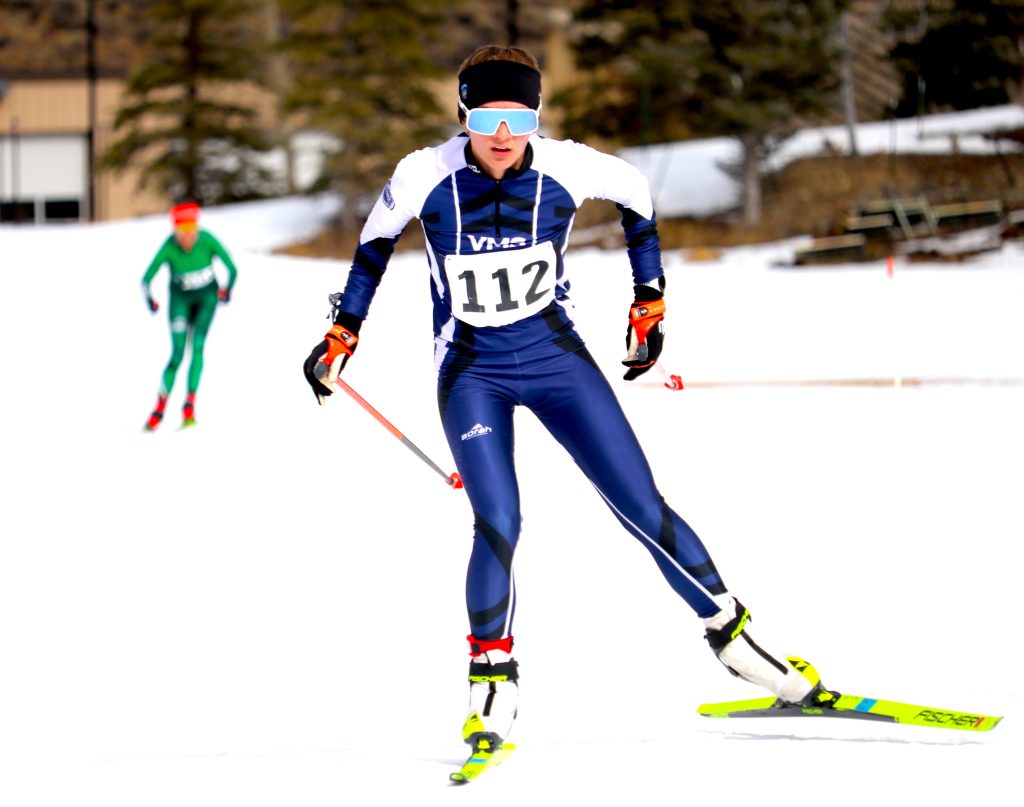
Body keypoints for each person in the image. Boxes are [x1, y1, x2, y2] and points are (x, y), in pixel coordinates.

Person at [303, 45, 834, 759]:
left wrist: (649, 302)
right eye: (488, 116)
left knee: (642, 507)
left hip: (557, 362)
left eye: (519, 117)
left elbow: (637, 198)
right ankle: (492, 677)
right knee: (498, 515)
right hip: (472, 372)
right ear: (463, 113)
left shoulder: (568, 165)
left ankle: (736, 640)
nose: (502, 135)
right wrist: (343, 332)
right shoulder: (423, 174)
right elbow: (372, 248)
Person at [141, 202, 237, 430]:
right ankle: (159, 408)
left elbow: (232, 268)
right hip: (180, 303)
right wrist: (150, 301)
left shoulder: (206, 240)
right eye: (181, 233)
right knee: (176, 354)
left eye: (191, 232)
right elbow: (146, 279)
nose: (187, 238)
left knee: (197, 347)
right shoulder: (169, 247)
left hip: (206, 301)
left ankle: (189, 406)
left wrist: (227, 289)